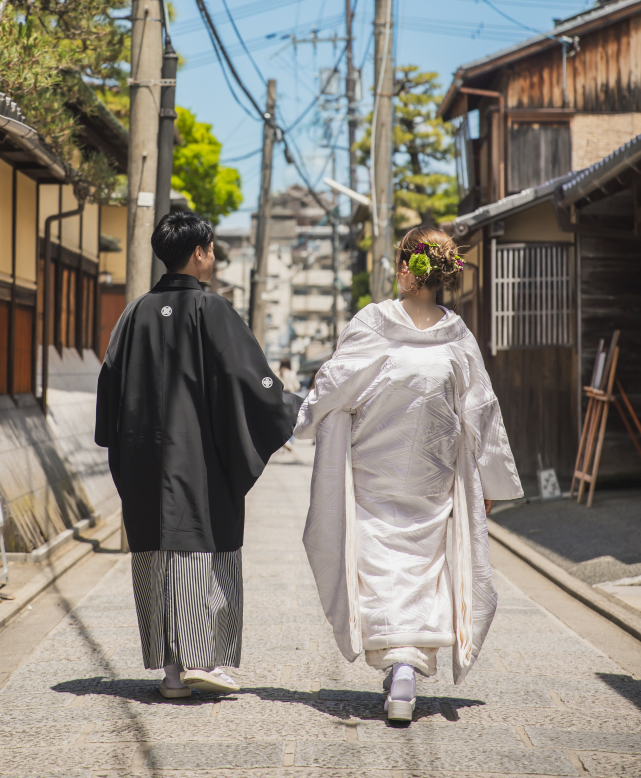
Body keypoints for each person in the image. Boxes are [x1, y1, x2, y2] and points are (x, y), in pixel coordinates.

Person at [294, 226, 523, 723]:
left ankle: (398, 666)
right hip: (432, 478)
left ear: (405, 267)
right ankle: (408, 667)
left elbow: (334, 385)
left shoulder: (374, 322)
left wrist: (303, 419)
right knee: (424, 568)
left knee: (379, 564)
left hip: (373, 473)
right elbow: (480, 409)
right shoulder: (456, 336)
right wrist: (490, 480)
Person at [95, 210, 301, 700]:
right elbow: (252, 382)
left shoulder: (134, 314)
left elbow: (109, 388)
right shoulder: (213, 311)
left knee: (158, 555)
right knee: (201, 553)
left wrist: (123, 442)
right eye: (211, 249)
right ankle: (203, 660)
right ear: (200, 252)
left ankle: (171, 670)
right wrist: (292, 406)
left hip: (145, 462)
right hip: (203, 463)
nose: (213, 257)